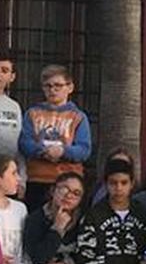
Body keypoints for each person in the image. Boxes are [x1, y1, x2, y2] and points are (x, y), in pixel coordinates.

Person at [19, 65, 93, 210]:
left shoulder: (78, 116)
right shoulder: (32, 113)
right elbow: (24, 143)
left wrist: (63, 151)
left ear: (70, 87)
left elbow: (84, 149)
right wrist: (43, 151)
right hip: (37, 179)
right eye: (48, 86)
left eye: (58, 85)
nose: (52, 90)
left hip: (68, 181)